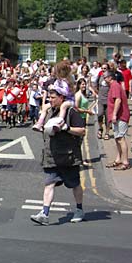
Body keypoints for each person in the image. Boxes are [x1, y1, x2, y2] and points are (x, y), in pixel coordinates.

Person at [30, 83, 86, 226]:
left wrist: (67, 128)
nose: (50, 100)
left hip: (69, 157)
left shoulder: (71, 112)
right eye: (49, 97)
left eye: (53, 97)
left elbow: (82, 131)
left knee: (75, 184)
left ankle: (79, 210)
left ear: (62, 97)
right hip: (52, 155)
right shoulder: (49, 111)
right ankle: (45, 213)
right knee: (49, 184)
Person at [33, 61, 74, 133]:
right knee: (45, 106)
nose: (55, 74)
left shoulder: (66, 81)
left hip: (69, 100)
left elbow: (66, 92)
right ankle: (40, 123)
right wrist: (51, 88)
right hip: (61, 99)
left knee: (63, 106)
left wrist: (55, 87)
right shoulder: (58, 81)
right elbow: (54, 87)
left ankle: (60, 123)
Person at [104, 71, 131, 171]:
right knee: (117, 138)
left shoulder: (115, 85)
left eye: (105, 77)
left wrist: (114, 114)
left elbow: (118, 100)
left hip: (121, 116)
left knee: (121, 138)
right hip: (117, 117)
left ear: (110, 77)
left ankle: (125, 162)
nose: (104, 80)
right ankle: (118, 159)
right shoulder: (113, 86)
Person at [74, 78, 95, 166]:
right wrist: (87, 111)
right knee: (79, 140)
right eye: (82, 84)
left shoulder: (83, 94)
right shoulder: (78, 95)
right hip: (78, 119)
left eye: (84, 84)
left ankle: (78, 159)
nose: (83, 86)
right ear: (78, 85)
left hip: (83, 118)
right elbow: (76, 108)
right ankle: (79, 160)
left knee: (80, 140)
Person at [95, 62, 112, 140]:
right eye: (102, 68)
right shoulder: (100, 76)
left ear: (108, 69)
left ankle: (107, 132)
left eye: (105, 68)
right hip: (101, 100)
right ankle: (100, 128)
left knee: (108, 118)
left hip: (108, 100)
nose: (103, 70)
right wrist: (97, 93)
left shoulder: (111, 77)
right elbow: (96, 85)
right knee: (99, 115)